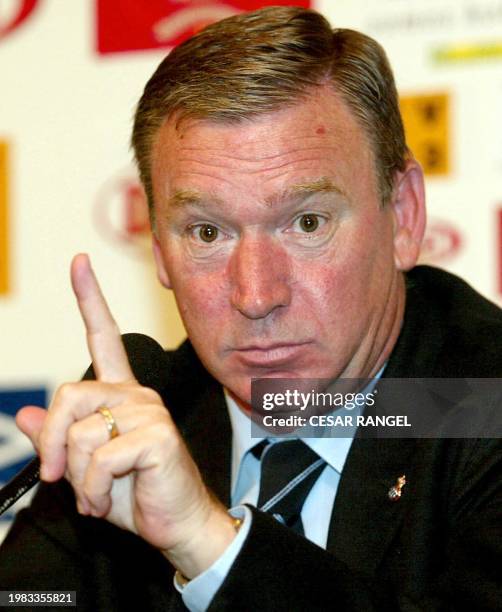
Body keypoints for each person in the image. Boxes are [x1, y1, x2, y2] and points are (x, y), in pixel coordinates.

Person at [1, 6, 501, 611]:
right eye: (208, 233)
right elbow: (30, 598)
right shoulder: (153, 414)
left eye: (307, 223)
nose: (257, 295)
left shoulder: (482, 403)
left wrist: (207, 542)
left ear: (403, 217)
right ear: (158, 249)